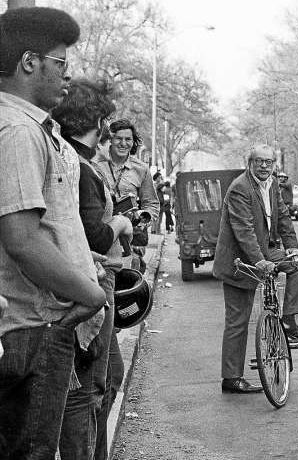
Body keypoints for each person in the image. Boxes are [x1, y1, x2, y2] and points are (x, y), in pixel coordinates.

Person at [0, 8, 109, 459]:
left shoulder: (34, 128)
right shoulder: (17, 131)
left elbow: (48, 227)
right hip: (36, 328)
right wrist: (91, 293)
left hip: (44, 326)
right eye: (60, 63)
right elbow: (22, 239)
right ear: (29, 62)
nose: (68, 76)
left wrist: (85, 261)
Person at [53, 78, 135, 460]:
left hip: (95, 283)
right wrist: (120, 224)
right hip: (88, 292)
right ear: (98, 120)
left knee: (102, 383)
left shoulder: (78, 161)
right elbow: (95, 235)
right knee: (86, 391)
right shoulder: (81, 167)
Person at [212, 144, 298, 394]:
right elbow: (243, 231)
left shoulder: (273, 184)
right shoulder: (240, 188)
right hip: (241, 262)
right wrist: (259, 261)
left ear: (274, 164)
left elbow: (283, 218)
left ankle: (288, 321)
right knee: (238, 321)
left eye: (268, 162)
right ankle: (231, 378)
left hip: (266, 251)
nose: (264, 166)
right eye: (259, 161)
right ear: (250, 163)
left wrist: (292, 248)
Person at [93, 118, 159, 273]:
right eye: (118, 138)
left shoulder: (141, 169)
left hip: (132, 239)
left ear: (133, 142)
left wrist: (142, 218)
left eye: (128, 139)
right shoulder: (95, 164)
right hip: (102, 236)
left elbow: (152, 203)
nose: (123, 143)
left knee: (131, 285)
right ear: (110, 140)